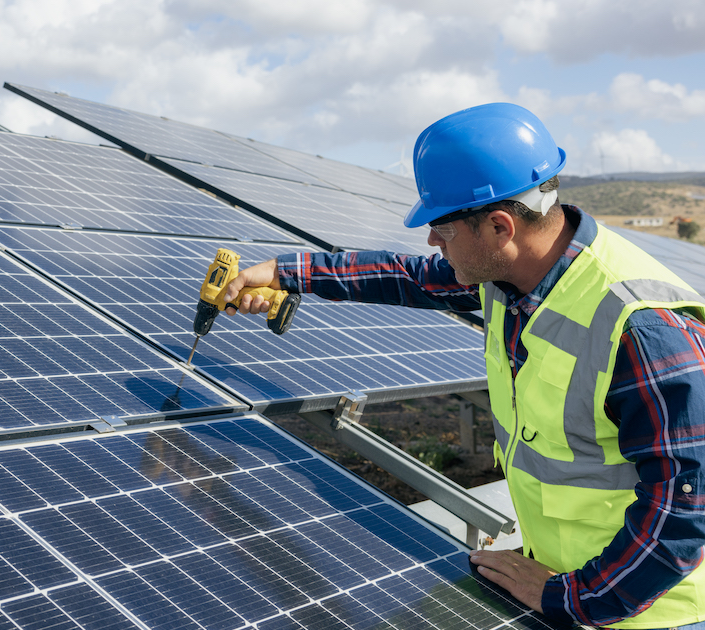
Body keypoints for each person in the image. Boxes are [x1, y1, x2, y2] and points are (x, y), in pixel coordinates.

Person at [222, 102, 705, 629]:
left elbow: (686, 506)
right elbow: (406, 276)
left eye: (443, 229)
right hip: (564, 579)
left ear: (499, 226)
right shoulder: (514, 275)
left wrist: (574, 599)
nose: (432, 241)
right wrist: (288, 272)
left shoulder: (643, 328)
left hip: (644, 609)